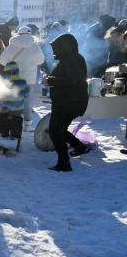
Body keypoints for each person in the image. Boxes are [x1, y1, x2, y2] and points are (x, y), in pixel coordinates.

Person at [45, 34, 90, 172]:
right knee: (59, 130)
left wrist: (51, 81)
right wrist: (52, 78)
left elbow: (73, 82)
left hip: (69, 103)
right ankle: (80, 147)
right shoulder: (70, 59)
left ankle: (64, 162)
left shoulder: (73, 60)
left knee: (55, 131)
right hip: (67, 102)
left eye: (56, 48)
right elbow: (67, 78)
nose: (54, 52)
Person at [0, 26, 46, 131]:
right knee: (27, 102)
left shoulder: (13, 45)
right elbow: (41, 60)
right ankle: (27, 125)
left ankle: (12, 126)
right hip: (29, 79)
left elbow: (2, 60)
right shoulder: (34, 46)